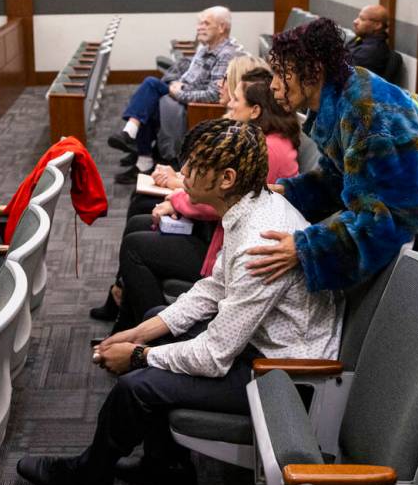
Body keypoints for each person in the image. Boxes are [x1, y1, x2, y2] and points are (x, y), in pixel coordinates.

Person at [17, 119, 342, 485]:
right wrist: (139, 333)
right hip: (259, 347)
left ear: (226, 178)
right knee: (157, 315)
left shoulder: (259, 241)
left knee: (137, 385)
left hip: (284, 375)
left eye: (192, 166)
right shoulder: (251, 207)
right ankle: (164, 463)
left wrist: (139, 355)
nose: (182, 173)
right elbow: (212, 287)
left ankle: (90, 476)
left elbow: (213, 357)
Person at [247, 17, 418, 303]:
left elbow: (394, 216)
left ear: (314, 71)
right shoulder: (345, 94)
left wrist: (306, 249)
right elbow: (345, 176)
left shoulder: (371, 116)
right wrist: (290, 192)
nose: (273, 85)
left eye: (282, 74)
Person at [110, 66, 301, 332]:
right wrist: (179, 196)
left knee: (135, 245)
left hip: (226, 245)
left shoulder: (265, 149)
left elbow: (224, 198)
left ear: (255, 110)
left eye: (236, 100)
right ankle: (129, 317)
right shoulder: (256, 140)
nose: (229, 104)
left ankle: (145, 329)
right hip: (219, 235)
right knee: (139, 222)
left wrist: (177, 199)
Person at [108, 6, 243, 184]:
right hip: (182, 93)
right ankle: (141, 156)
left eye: (205, 23)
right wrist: (175, 84)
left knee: (150, 87)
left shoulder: (225, 55)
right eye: (199, 23)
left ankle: (133, 139)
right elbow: (187, 76)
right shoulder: (205, 49)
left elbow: (214, 95)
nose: (199, 27)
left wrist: (179, 93)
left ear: (222, 27)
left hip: (193, 107)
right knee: (148, 101)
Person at [345, 4, 391, 76]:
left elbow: (345, 72)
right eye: (358, 17)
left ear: (377, 25)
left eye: (362, 19)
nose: (355, 21)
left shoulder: (372, 51)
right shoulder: (362, 38)